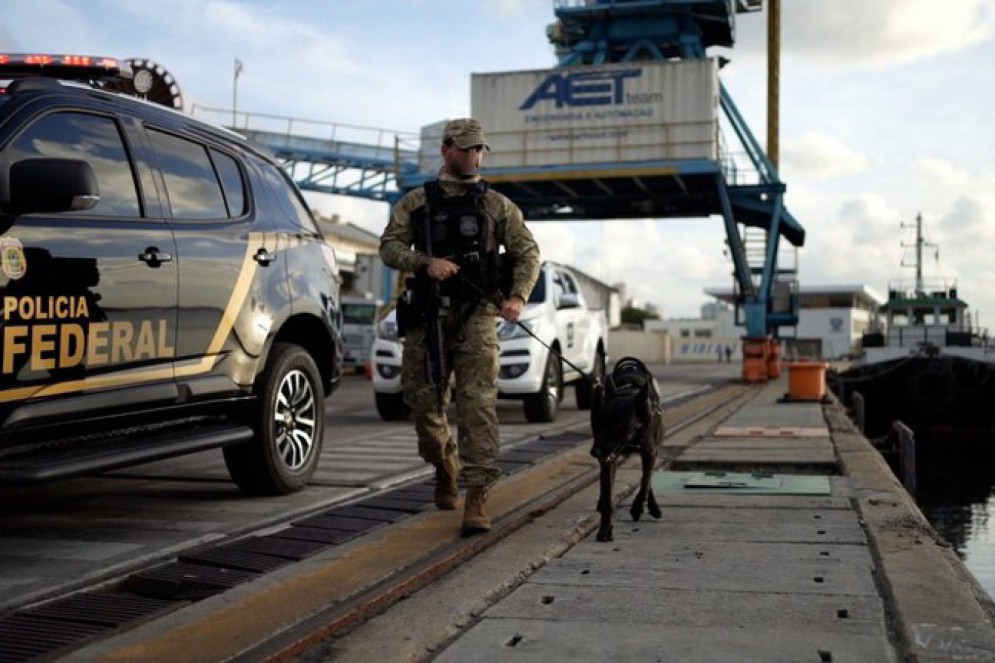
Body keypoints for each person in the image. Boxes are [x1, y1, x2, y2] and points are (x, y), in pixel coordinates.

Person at [379, 118, 540, 537]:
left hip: (477, 316)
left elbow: (527, 253)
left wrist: (517, 297)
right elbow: (388, 246)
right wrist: (424, 263)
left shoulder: (497, 206)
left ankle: (478, 493)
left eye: (480, 149)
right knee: (423, 405)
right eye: (468, 149)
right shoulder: (417, 202)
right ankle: (443, 464)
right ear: (448, 149)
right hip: (429, 315)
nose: (476, 156)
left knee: (478, 406)